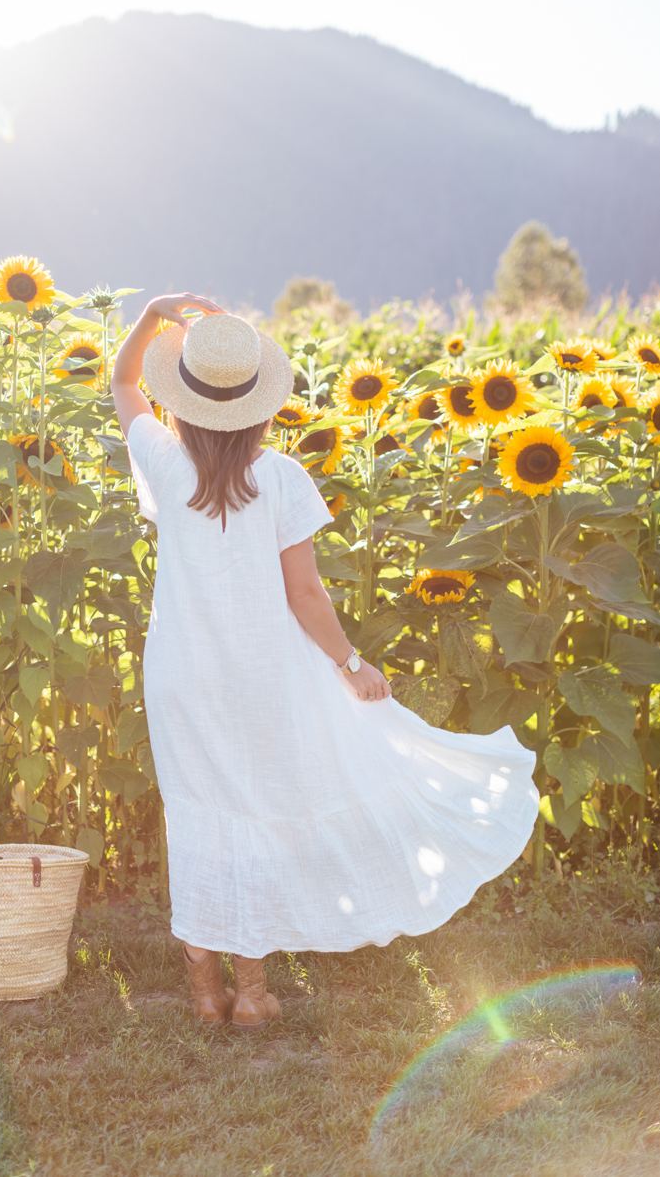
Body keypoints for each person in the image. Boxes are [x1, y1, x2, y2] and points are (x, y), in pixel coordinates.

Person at [111, 294, 539, 1032]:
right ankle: (252, 993)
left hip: (181, 674)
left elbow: (121, 386)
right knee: (258, 809)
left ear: (182, 403)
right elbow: (303, 593)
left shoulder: (161, 458)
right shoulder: (277, 478)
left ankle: (202, 994)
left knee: (197, 814)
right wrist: (350, 664)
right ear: (257, 408)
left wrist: (152, 315)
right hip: (264, 674)